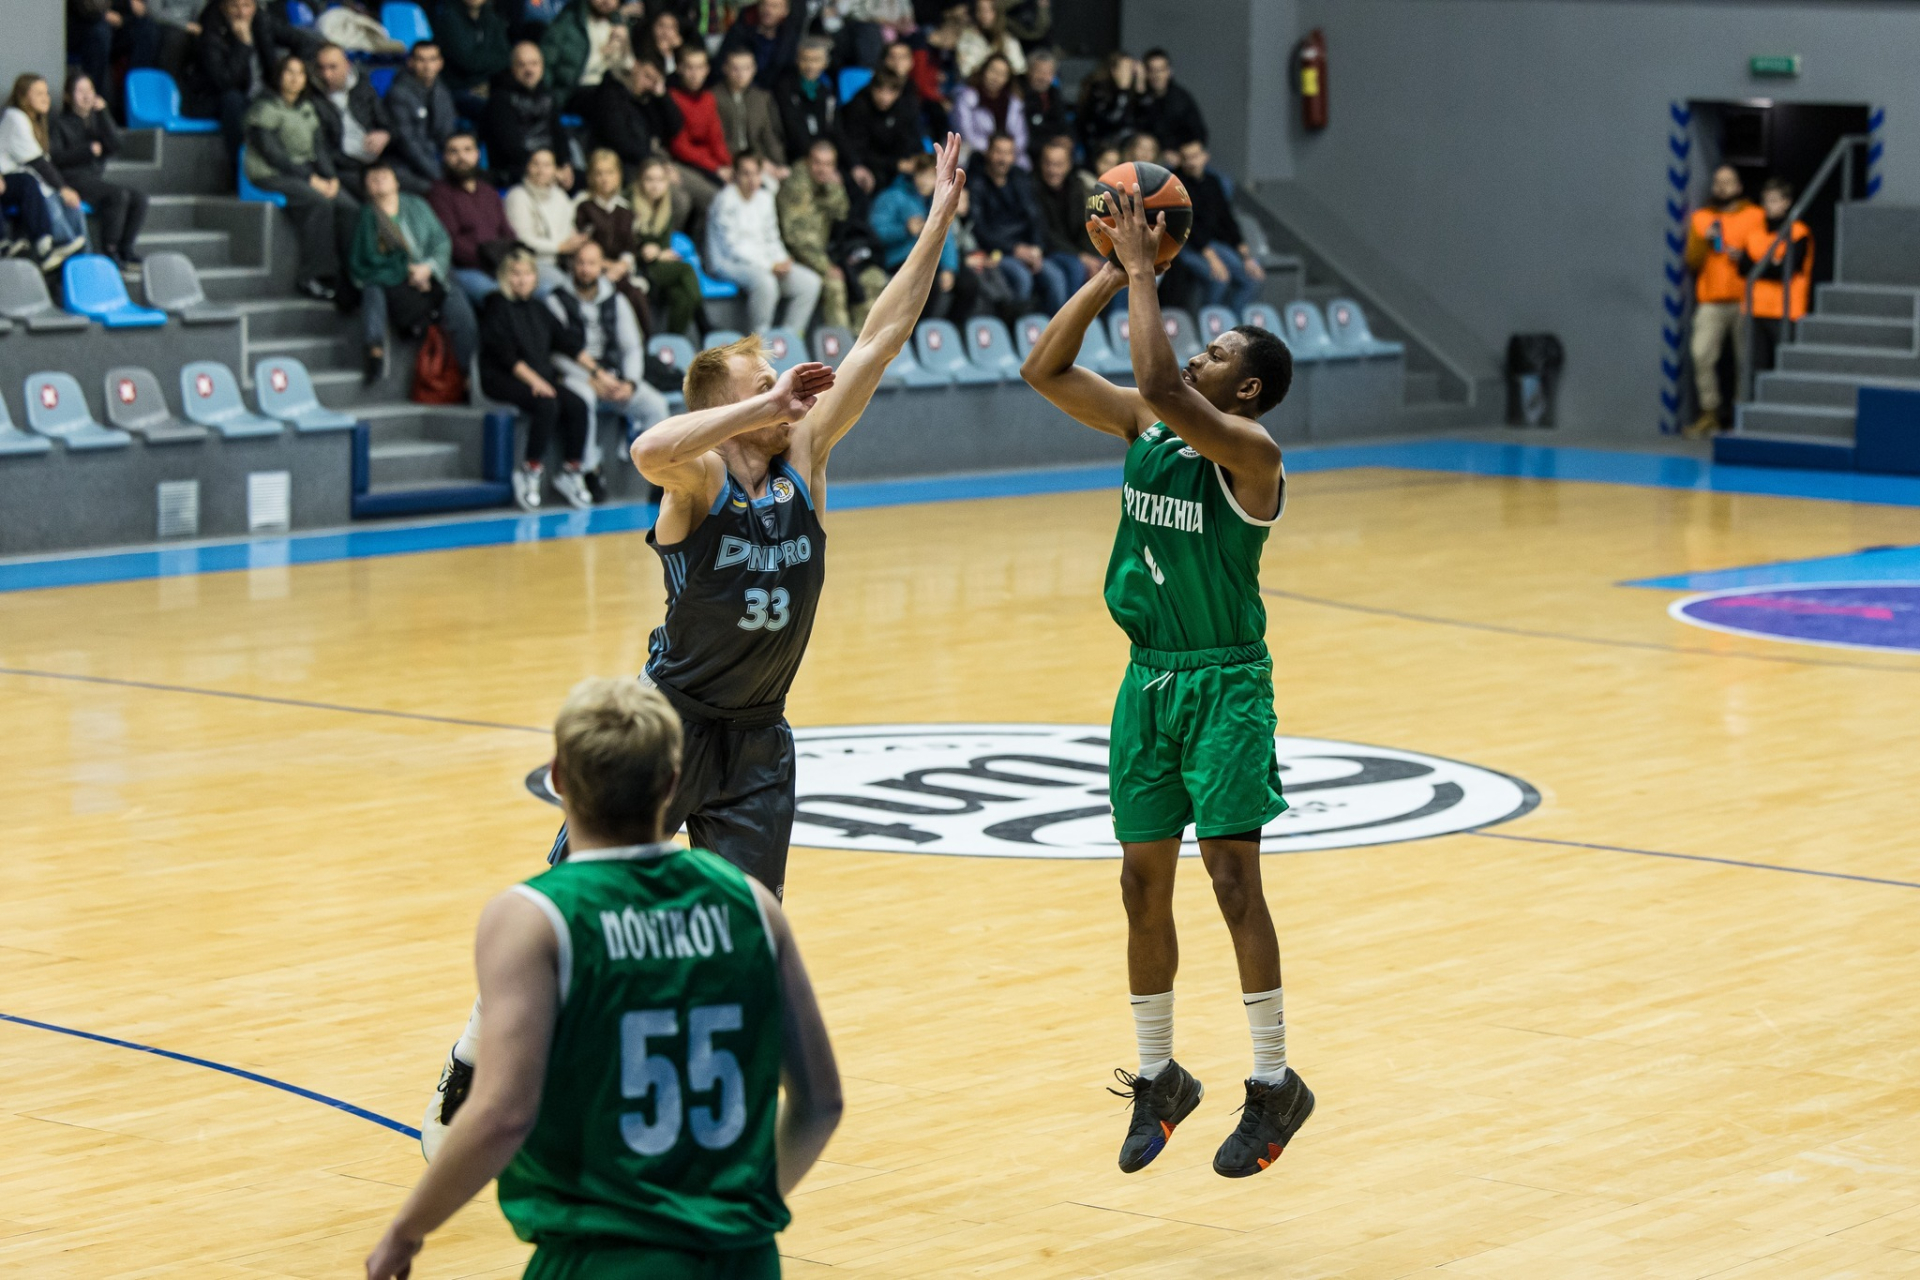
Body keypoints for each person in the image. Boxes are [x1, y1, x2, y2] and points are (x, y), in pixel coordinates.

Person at [413, 143, 966, 1157]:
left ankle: (698, 1119)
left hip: (756, 736)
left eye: (783, 383)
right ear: (730, 401)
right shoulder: (700, 477)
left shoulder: (806, 455)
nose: (791, 390)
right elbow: (645, 447)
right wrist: (762, 404)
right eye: (765, 382)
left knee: (747, 938)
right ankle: (474, 1054)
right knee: (576, 912)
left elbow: (882, 335)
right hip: (665, 727)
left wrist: (935, 222)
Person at [1020, 181, 1311, 1181]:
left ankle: (1274, 1079)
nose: (1198, 356)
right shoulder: (1148, 424)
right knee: (1139, 881)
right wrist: (1110, 275)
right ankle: (1160, 1074)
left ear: (1248, 391)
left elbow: (1155, 372)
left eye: (1218, 354)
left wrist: (1144, 268)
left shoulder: (1252, 454)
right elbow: (1043, 367)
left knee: (1232, 878)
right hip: (1146, 682)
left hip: (1226, 685)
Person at [367, 677, 841, 1280]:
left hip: (601, 1257)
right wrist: (737, 1208)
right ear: (673, 781)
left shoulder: (534, 917)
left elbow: (503, 1115)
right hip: (741, 1257)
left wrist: (407, 1229)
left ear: (558, 778)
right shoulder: (753, 905)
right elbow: (821, 1103)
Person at [481, 246, 602, 508]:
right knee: (547, 404)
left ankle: (571, 471)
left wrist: (597, 372)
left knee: (578, 404)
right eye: (515, 274)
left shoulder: (538, 308)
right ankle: (530, 471)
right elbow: (505, 356)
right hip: (503, 378)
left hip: (539, 377)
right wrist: (536, 381)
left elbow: (566, 343)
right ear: (505, 277)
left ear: (535, 277)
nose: (521, 280)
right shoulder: (496, 305)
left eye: (526, 274)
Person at [549, 238, 670, 491]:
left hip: (612, 375)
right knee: (582, 399)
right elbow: (557, 352)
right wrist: (590, 377)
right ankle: (589, 470)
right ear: (572, 265)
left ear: (601, 266)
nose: (585, 269)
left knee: (656, 404)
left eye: (591, 263)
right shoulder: (556, 300)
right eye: (580, 263)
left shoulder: (616, 299)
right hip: (577, 375)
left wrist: (630, 382)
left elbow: (632, 347)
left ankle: (659, 478)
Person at [350, 160, 477, 383]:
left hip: (431, 272)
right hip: (391, 279)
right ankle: (375, 350)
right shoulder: (366, 216)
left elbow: (441, 241)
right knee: (373, 289)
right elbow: (366, 259)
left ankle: (467, 373)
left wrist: (428, 268)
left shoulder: (417, 205)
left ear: (397, 182)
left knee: (459, 307)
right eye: (373, 178)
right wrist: (407, 271)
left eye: (385, 175)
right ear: (366, 188)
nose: (379, 179)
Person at [244, 55, 359, 300]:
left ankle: (351, 275)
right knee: (318, 202)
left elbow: (319, 150)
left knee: (349, 207)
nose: (295, 78)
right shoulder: (264, 108)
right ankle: (314, 277)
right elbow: (273, 155)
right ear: (278, 75)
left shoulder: (307, 109)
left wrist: (330, 177)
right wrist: (311, 179)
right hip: (270, 174)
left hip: (305, 173)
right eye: (289, 72)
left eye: (301, 73)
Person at [1683, 163, 1764, 437]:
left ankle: (1740, 416)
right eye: (1718, 182)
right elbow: (1692, 261)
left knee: (1744, 360)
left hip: (1745, 300)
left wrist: (1743, 257)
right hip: (1711, 300)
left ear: (1739, 187)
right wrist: (1703, 241)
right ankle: (1710, 413)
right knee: (1701, 354)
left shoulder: (1755, 215)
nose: (1722, 187)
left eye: (1728, 182)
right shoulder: (1701, 218)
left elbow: (1765, 254)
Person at [705, 151, 820, 334]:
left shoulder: (765, 198)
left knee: (810, 283)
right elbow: (733, 248)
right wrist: (770, 265)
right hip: (727, 263)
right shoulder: (725, 200)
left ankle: (789, 339)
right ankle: (760, 338)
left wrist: (782, 260)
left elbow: (772, 237)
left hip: (765, 263)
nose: (752, 180)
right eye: (746, 173)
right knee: (766, 283)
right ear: (735, 175)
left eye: (756, 173)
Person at [778, 139, 886, 331]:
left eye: (828, 164)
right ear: (808, 162)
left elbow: (843, 216)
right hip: (797, 257)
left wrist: (832, 189)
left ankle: (863, 340)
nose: (822, 169)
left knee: (873, 278)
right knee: (835, 284)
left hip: (829, 253)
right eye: (817, 163)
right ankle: (841, 344)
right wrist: (826, 266)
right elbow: (796, 239)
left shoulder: (829, 184)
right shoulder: (796, 187)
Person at [49, 73, 145, 271]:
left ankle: (126, 249)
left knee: (139, 198)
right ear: (68, 96)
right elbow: (56, 158)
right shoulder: (60, 123)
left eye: (90, 90)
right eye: (80, 91)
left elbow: (116, 145)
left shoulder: (97, 120)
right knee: (117, 195)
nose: (87, 95)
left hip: (94, 179)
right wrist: (86, 151)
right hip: (72, 179)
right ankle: (109, 250)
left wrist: (103, 113)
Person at [1, 75, 94, 273]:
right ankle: (58, 246)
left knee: (73, 206)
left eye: (47, 93)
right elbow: (38, 163)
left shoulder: (37, 122)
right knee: (50, 194)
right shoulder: (15, 117)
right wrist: (63, 188)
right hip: (11, 181)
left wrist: (64, 190)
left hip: (28, 182)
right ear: (24, 97)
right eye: (39, 94)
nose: (46, 98)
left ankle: (85, 264)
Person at [967, 131, 1066, 314]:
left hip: (1026, 250)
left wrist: (1036, 249)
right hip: (995, 252)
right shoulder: (976, 183)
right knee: (1022, 277)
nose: (1003, 159)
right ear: (988, 152)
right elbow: (979, 229)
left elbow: (1035, 217)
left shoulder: (1020, 179)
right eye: (998, 152)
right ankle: (1018, 328)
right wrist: (1014, 249)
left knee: (1056, 276)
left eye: (1008, 153)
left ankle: (1058, 329)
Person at [870, 151, 974, 321]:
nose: (926, 181)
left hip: (928, 261)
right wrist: (904, 230)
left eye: (932, 176)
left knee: (968, 283)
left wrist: (948, 268)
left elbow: (946, 238)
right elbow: (875, 232)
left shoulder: (938, 202)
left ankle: (950, 328)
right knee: (928, 284)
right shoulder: (892, 196)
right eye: (922, 174)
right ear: (914, 174)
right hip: (899, 259)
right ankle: (915, 331)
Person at [1166, 138, 1263, 315]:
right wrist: (1212, 259)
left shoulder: (1213, 182)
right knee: (1219, 279)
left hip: (1213, 244)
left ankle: (1233, 325)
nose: (1191, 162)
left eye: (1195, 156)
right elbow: (1188, 226)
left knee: (1252, 278)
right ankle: (1209, 325)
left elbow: (1227, 220)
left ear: (1205, 156)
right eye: (1186, 158)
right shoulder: (1175, 183)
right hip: (1184, 246)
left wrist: (1246, 256)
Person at [1738, 176, 1813, 382]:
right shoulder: (1754, 233)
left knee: (1786, 367)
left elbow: (1784, 272)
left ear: (1786, 202)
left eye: (1774, 200)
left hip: (1785, 310)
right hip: (1754, 308)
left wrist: (1760, 266)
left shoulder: (1798, 233)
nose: (1768, 205)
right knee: (1753, 366)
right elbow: (1743, 268)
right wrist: (1772, 263)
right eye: (1765, 200)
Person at [185, 0, 282, 157]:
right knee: (233, 100)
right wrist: (243, 44)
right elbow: (225, 82)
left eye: (246, 6)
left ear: (255, 7)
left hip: (254, 95)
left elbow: (300, 39)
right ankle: (240, 161)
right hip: (211, 99)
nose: (241, 13)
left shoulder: (261, 22)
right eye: (234, 6)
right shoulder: (211, 33)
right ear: (224, 8)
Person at [427, 131, 515, 301]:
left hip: (499, 263)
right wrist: (493, 263)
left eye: (467, 150)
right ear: (445, 157)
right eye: (454, 151)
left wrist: (512, 261)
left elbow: (507, 232)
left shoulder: (488, 191)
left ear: (477, 154)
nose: (461, 157)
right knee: (500, 298)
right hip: (464, 269)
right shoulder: (438, 194)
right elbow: (451, 242)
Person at [572, 146, 651, 323]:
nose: (605, 179)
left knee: (636, 296)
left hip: (620, 271)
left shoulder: (625, 209)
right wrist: (605, 265)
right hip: (591, 270)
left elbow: (629, 247)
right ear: (591, 176)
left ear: (618, 175)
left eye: (609, 173)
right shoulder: (582, 205)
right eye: (599, 173)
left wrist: (622, 265)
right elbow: (579, 244)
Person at [629, 155, 703, 335]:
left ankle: (672, 342)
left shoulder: (664, 207)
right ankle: (704, 325)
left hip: (657, 265)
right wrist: (645, 252)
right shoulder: (628, 205)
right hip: (638, 266)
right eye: (649, 179)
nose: (655, 185)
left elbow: (662, 246)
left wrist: (659, 253)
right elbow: (624, 245)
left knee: (681, 296)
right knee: (686, 269)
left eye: (660, 180)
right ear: (640, 181)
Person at [308, 43, 391, 199]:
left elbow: (387, 122)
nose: (326, 75)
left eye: (333, 67)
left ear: (347, 65)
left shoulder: (363, 87)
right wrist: (330, 175)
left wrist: (385, 134)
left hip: (377, 159)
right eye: (321, 68)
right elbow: (321, 146)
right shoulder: (312, 98)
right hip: (343, 167)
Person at [505, 146, 589, 293]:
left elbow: (569, 229)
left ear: (555, 170)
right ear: (527, 167)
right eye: (535, 164)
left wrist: (577, 241)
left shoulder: (560, 196)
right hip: (533, 263)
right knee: (566, 290)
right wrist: (560, 247)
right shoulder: (517, 196)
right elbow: (523, 240)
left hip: (564, 261)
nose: (541, 170)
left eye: (547, 165)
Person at [584, 52, 679, 177]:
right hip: (618, 164)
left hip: (645, 162)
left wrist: (663, 96)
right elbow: (620, 140)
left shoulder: (648, 99)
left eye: (654, 81)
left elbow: (675, 128)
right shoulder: (610, 94)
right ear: (636, 66)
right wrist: (654, 162)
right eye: (647, 76)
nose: (648, 84)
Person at [1032, 137, 1100, 303]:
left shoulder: (1076, 186)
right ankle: (1069, 319)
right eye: (1048, 164)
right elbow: (1044, 232)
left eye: (1058, 165)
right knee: (1075, 268)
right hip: (1049, 250)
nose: (1052, 170)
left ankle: (1116, 318)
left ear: (1069, 165)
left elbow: (1085, 226)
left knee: (1114, 268)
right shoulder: (1032, 188)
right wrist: (1081, 256)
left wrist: (1091, 256)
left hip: (1076, 250)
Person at [385, 41, 457, 194]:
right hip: (404, 164)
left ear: (440, 63)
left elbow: (447, 134)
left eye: (432, 59)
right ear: (410, 63)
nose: (427, 66)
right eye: (421, 60)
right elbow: (408, 144)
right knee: (439, 191)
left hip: (433, 160)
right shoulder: (398, 94)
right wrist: (439, 176)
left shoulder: (442, 91)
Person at [666, 46, 729, 217]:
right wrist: (716, 168)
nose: (695, 74)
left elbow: (716, 139)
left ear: (707, 70)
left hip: (707, 163)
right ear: (680, 69)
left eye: (700, 67)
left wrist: (728, 166)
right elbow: (680, 147)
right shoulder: (672, 97)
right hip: (682, 163)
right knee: (717, 197)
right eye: (690, 68)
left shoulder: (708, 98)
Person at [539, 0, 634, 107]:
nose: (607, 1)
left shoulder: (621, 26)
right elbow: (547, 61)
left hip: (609, 92)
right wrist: (602, 55)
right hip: (574, 92)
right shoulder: (570, 20)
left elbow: (628, 71)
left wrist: (625, 47)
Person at [841, 72, 920, 198]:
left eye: (890, 92)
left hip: (894, 162)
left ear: (898, 93)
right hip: (868, 164)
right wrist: (895, 164)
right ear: (872, 89)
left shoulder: (905, 108)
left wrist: (913, 159)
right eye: (880, 90)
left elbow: (911, 139)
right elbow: (858, 150)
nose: (884, 97)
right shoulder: (858, 107)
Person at [714, 47, 787, 180]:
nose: (741, 74)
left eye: (746, 68)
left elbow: (769, 135)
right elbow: (715, 139)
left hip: (759, 160)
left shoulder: (762, 98)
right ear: (725, 68)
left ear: (754, 69)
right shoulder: (713, 97)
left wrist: (779, 164)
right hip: (727, 161)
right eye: (735, 69)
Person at [772, 36, 840, 168]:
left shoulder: (826, 91)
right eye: (805, 59)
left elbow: (836, 130)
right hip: (796, 158)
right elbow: (792, 130)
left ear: (825, 63)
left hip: (824, 158)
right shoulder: (784, 88)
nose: (810, 65)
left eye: (816, 60)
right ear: (797, 60)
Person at [433, 0, 511, 107]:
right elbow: (467, 61)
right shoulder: (448, 16)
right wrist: (480, 80)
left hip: (487, 85)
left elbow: (505, 57)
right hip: (456, 89)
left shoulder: (490, 16)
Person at [952, 51, 1023, 165]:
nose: (996, 77)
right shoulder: (967, 97)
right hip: (971, 153)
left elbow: (1021, 136)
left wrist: (1006, 153)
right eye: (993, 71)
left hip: (1007, 156)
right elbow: (964, 133)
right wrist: (992, 151)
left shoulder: (1014, 103)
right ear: (983, 71)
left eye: (1002, 74)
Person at [716, 0, 801, 92]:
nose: (768, 10)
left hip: (775, 92)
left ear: (785, 11)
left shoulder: (789, 38)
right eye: (764, 5)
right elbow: (721, 64)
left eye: (774, 6)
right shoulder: (740, 31)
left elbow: (788, 72)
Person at [1134, 47, 1206, 151]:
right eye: (1152, 70)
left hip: (1180, 155)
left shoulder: (1181, 98)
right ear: (1146, 73)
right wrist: (1140, 91)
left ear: (1169, 71)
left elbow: (1199, 133)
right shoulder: (1139, 97)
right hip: (1149, 155)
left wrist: (1186, 151)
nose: (1157, 75)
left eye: (1161, 70)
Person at [1076, 51, 1139, 159]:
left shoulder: (1134, 90)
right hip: (1099, 144)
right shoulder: (1098, 90)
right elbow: (1109, 122)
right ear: (1114, 71)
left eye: (1131, 69)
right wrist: (1122, 92)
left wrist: (1141, 87)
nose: (1129, 73)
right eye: (1125, 69)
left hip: (1124, 143)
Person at [1020, 47, 1069, 166]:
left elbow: (1064, 125)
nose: (1043, 77)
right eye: (1039, 72)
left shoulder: (1055, 94)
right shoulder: (1019, 95)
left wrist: (1068, 140)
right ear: (1029, 71)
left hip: (1054, 155)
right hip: (1028, 157)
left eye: (1048, 73)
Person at [955, 0, 1023, 79]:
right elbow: (965, 71)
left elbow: (1018, 69)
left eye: (989, 10)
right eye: (980, 10)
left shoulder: (1008, 41)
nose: (984, 15)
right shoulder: (966, 37)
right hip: (972, 83)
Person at [635, 5, 682, 77]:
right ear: (653, 27)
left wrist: (670, 55)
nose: (665, 32)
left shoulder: (681, 52)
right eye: (661, 25)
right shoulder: (642, 49)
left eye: (670, 27)